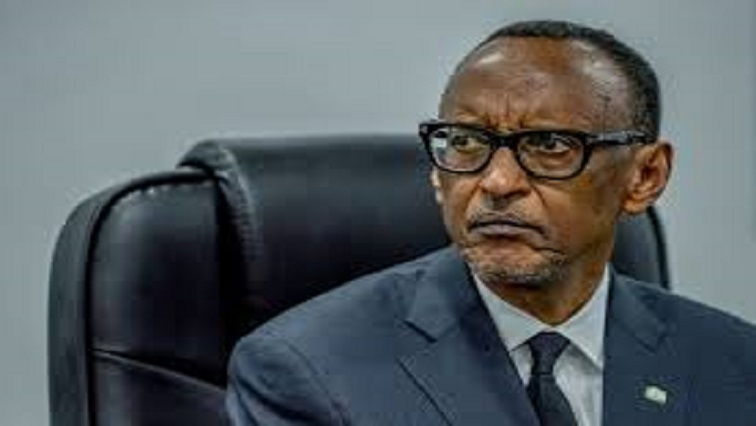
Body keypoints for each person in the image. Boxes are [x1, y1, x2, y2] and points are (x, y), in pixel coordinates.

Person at [226, 20, 756, 426]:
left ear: (644, 176)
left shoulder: (737, 365)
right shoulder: (308, 370)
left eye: (550, 145)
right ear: (438, 173)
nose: (498, 182)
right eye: (466, 142)